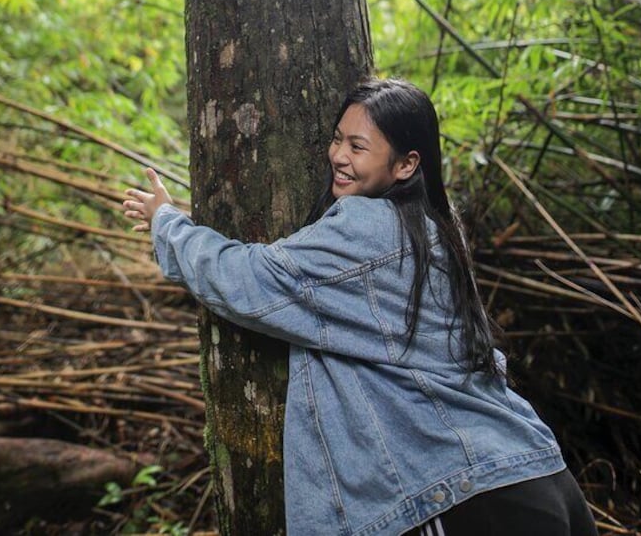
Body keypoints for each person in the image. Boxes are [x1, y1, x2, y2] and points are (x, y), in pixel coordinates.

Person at [122, 78, 598, 536]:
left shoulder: (368, 226)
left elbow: (249, 279)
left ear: (406, 164)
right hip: (533, 473)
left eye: (357, 146)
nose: (338, 157)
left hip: (464, 493)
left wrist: (167, 223)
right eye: (336, 140)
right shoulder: (435, 229)